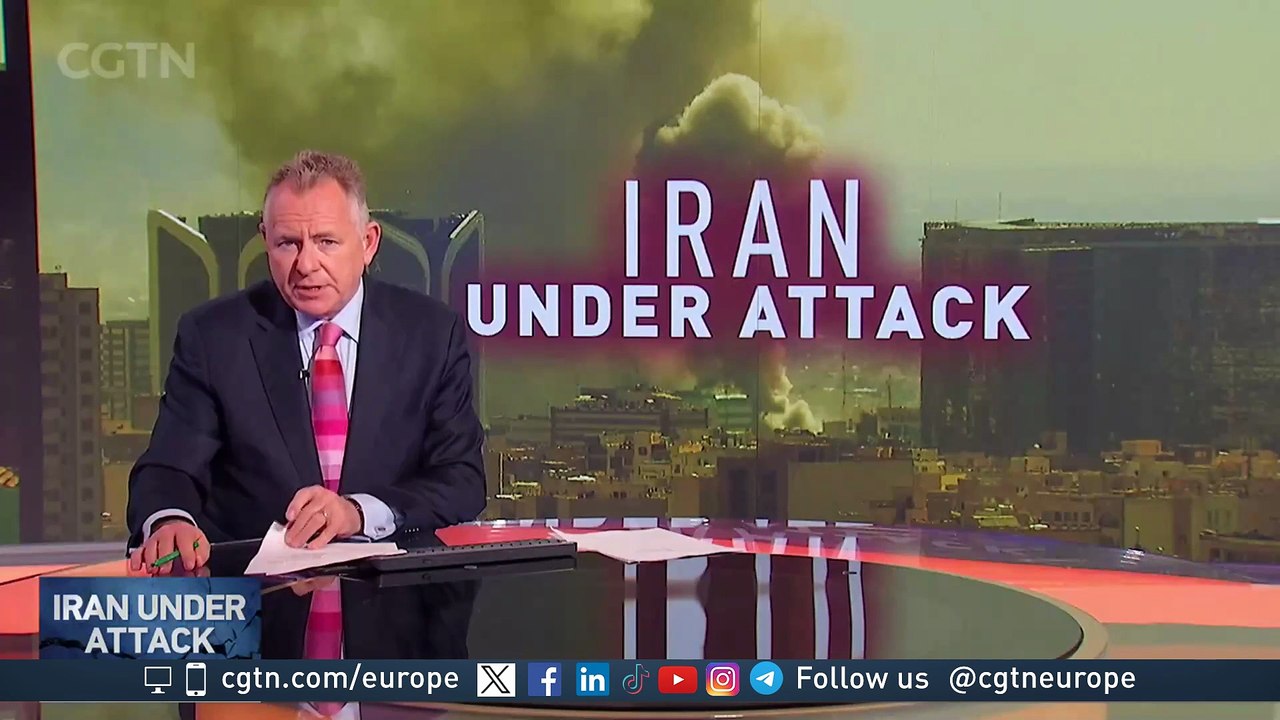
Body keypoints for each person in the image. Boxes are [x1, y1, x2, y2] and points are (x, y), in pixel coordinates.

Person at [126, 149, 486, 574]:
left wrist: (358, 512)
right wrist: (169, 520)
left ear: (368, 243)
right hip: (256, 597)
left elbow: (461, 479)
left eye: (326, 242)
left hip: (391, 596)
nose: (306, 265)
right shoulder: (214, 336)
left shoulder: (431, 333)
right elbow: (169, 468)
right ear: (266, 241)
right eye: (287, 244)